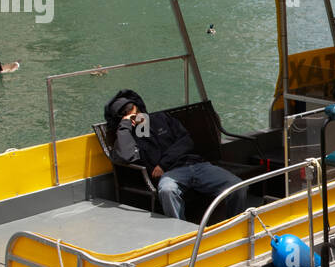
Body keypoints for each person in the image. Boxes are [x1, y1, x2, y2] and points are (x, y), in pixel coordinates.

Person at [104, 90, 244, 222]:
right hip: (170, 175)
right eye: (124, 113)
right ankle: (181, 231)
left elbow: (186, 140)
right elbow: (126, 156)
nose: (129, 112)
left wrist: (163, 164)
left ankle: (234, 223)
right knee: (167, 191)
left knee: (238, 186)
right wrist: (125, 126)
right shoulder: (127, 135)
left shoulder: (160, 118)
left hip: (195, 165)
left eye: (130, 107)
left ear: (136, 105)